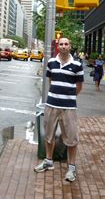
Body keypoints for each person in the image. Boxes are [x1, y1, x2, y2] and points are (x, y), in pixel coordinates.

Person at [34, 37, 84, 182]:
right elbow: (51, 81)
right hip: (51, 105)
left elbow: (79, 86)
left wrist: (69, 96)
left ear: (70, 46)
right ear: (58, 46)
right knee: (49, 135)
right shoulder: (51, 63)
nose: (63, 46)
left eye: (66, 44)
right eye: (61, 44)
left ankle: (72, 167)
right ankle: (48, 161)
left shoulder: (77, 64)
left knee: (72, 138)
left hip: (69, 107)